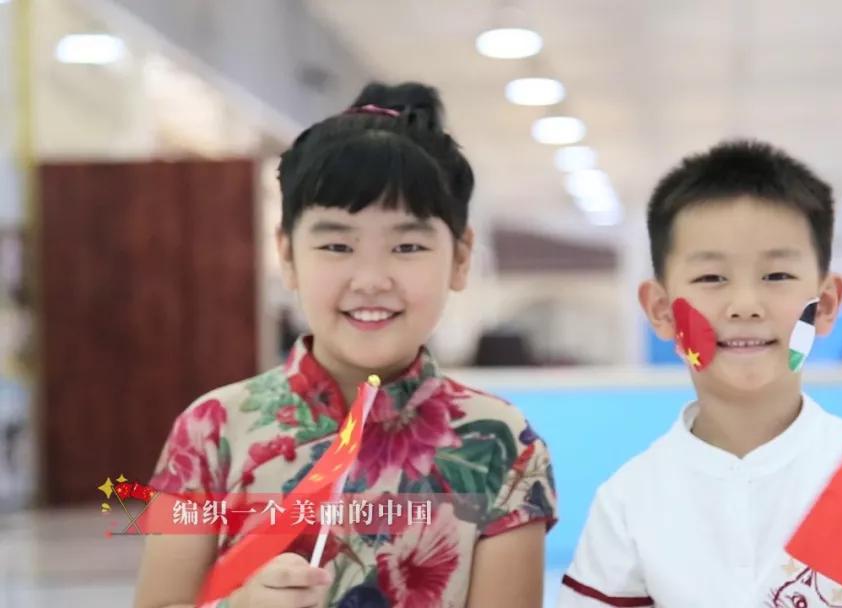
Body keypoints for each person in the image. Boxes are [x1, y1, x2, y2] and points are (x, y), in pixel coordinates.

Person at [135, 82, 557, 608]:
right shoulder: (211, 430)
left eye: (407, 246)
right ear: (287, 255)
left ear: (460, 257)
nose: (371, 279)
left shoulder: (501, 443)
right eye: (337, 245)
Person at [558, 140, 842, 607]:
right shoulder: (628, 501)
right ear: (661, 310)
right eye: (711, 278)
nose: (745, 305)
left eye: (777, 276)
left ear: (825, 305)